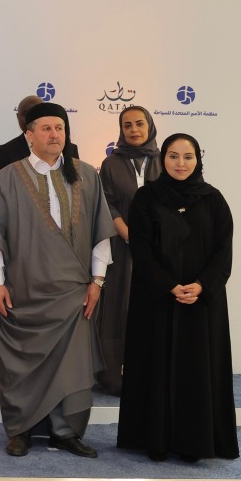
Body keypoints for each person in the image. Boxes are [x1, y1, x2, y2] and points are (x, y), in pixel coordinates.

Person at [0, 101, 115, 459]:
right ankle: (21, 431)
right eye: (46, 128)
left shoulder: (86, 175)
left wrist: (96, 282)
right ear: (29, 135)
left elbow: (101, 233)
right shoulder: (8, 176)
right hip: (23, 293)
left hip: (74, 295)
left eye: (60, 128)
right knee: (20, 367)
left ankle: (64, 432)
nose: (55, 134)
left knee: (71, 366)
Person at [117, 133, 238, 462]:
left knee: (196, 370)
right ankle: (154, 440)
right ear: (163, 159)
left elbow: (222, 252)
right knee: (155, 366)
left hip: (201, 304)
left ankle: (194, 443)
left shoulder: (214, 200)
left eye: (187, 157)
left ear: (198, 159)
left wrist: (201, 285)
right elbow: (140, 249)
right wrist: (170, 285)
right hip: (156, 299)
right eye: (173, 156)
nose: (180, 163)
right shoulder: (146, 198)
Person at [94, 106, 160, 395]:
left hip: (159, 250)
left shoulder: (166, 159)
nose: (134, 130)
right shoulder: (111, 164)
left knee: (154, 308)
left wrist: (152, 239)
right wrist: (128, 233)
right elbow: (106, 204)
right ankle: (115, 377)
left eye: (139, 124)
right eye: (127, 125)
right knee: (119, 307)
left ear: (150, 126)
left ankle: (153, 375)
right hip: (121, 249)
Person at [0, 94, 79, 185]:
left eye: (37, 113)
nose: (31, 118)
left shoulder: (70, 150)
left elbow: (77, 187)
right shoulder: (4, 152)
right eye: (26, 114)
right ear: (17, 117)